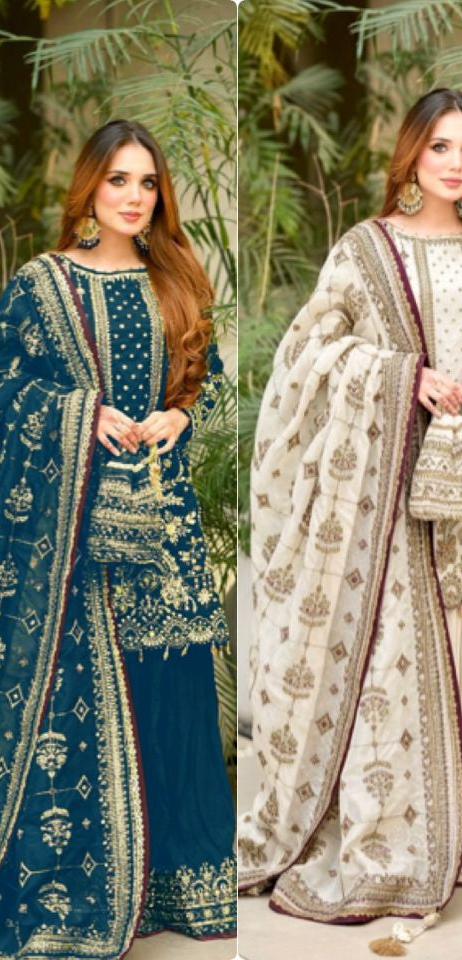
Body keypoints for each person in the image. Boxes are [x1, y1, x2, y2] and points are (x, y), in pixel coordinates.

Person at [0, 119, 236, 959]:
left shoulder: (177, 282)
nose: (135, 198)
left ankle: (177, 881)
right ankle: (84, 888)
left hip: (164, 518)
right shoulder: (44, 284)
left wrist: (181, 413)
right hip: (73, 530)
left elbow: (214, 392)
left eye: (148, 184)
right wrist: (77, 416)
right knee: (89, 695)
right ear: (89, 188)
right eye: (118, 182)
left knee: (170, 688)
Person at [238, 89, 462, 929]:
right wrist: (406, 378)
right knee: (389, 671)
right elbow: (310, 353)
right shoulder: (368, 250)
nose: (454, 162)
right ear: (411, 154)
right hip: (385, 499)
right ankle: (391, 848)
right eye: (440, 145)